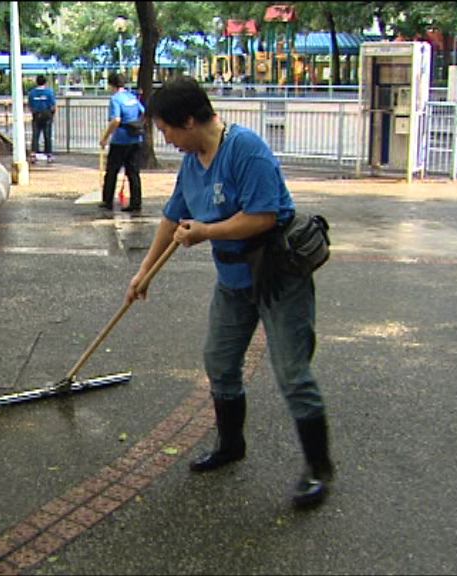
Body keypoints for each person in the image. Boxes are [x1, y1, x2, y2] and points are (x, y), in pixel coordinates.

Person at [128, 76, 335, 508]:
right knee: (219, 361)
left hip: (277, 275)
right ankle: (230, 444)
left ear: (189, 120)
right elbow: (173, 217)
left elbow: (262, 216)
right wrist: (145, 272)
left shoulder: (246, 149)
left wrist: (206, 231)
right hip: (233, 280)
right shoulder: (192, 162)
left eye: (166, 130)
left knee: (292, 372)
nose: (166, 140)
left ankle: (318, 468)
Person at [98, 72, 144, 212]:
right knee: (133, 172)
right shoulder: (132, 97)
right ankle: (136, 202)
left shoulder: (115, 99)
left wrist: (105, 137)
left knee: (112, 171)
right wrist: (138, 126)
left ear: (111, 85)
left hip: (120, 140)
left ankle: (107, 201)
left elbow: (116, 119)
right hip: (135, 139)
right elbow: (143, 112)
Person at [27, 75, 56, 163]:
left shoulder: (32, 93)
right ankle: (49, 154)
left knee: (35, 135)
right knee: (47, 135)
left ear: (36, 82)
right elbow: (53, 105)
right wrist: (52, 115)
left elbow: (30, 105)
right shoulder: (49, 92)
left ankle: (33, 154)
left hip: (36, 115)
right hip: (47, 115)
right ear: (45, 82)